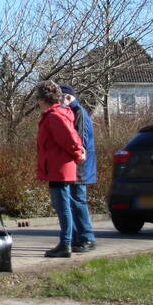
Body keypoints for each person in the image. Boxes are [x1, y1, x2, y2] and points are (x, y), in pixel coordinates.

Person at [34, 80, 86, 258]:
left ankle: (65, 244)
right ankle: (67, 242)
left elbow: (70, 139)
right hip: (57, 167)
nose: (37, 102)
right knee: (61, 205)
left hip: (60, 168)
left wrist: (79, 154)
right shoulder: (55, 114)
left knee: (63, 206)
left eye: (38, 98)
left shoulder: (55, 116)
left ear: (43, 99)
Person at [60, 85, 97, 251]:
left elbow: (79, 140)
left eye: (61, 98)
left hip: (80, 165)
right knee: (73, 200)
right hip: (78, 164)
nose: (59, 102)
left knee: (78, 200)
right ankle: (78, 237)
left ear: (68, 97)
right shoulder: (75, 112)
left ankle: (87, 238)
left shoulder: (79, 112)